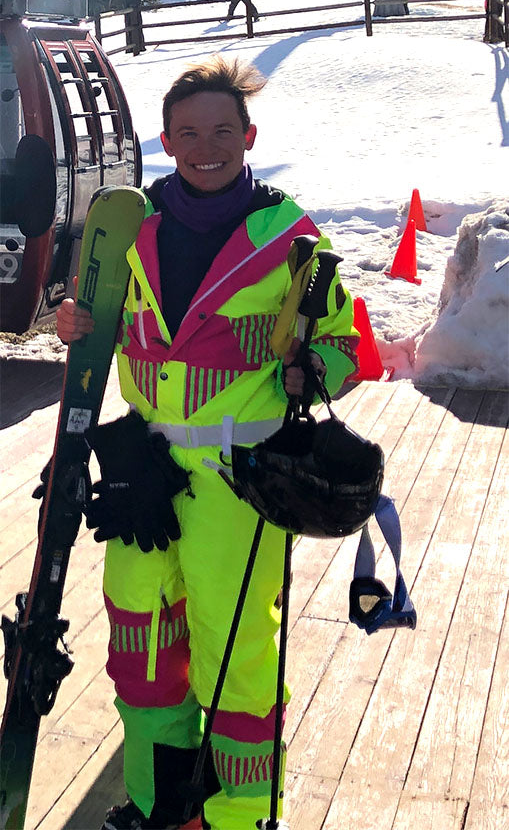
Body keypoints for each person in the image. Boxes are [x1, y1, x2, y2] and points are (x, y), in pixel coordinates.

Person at [56, 56, 359, 830]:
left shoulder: (287, 234)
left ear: (247, 135)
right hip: (144, 473)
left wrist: (310, 369)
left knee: (236, 664)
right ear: (167, 140)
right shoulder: (134, 227)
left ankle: (240, 816)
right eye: (188, 132)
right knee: (143, 645)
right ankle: (162, 809)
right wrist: (76, 324)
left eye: (222, 129)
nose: (206, 145)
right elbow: (105, 322)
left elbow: (345, 339)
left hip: (238, 482)